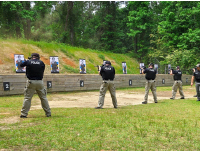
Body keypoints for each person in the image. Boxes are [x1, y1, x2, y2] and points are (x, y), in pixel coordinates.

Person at [19, 53, 51, 118]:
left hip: (31, 82)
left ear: (32, 57)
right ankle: (48, 113)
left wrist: (26, 61)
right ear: (38, 57)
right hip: (40, 82)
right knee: (43, 98)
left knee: (27, 98)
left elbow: (21, 65)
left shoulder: (28, 62)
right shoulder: (41, 63)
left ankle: (24, 114)